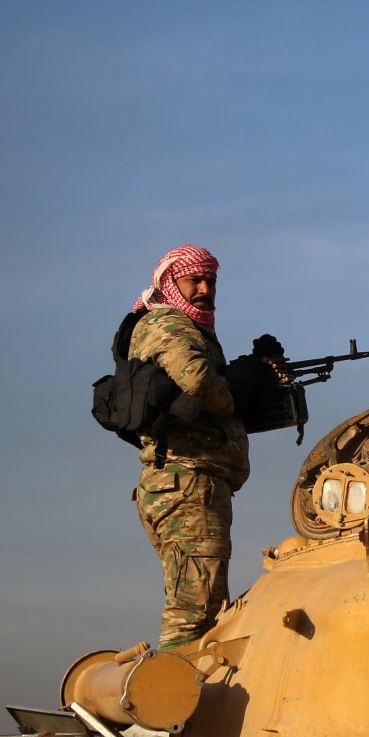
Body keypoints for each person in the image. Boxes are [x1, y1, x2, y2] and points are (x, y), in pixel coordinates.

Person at [127, 244, 250, 650]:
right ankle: (173, 708)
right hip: (187, 484)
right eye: (193, 279)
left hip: (187, 484)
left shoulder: (188, 329)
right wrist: (235, 399)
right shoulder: (168, 324)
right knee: (192, 620)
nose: (203, 288)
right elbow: (196, 378)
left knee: (208, 611)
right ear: (169, 282)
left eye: (210, 281)